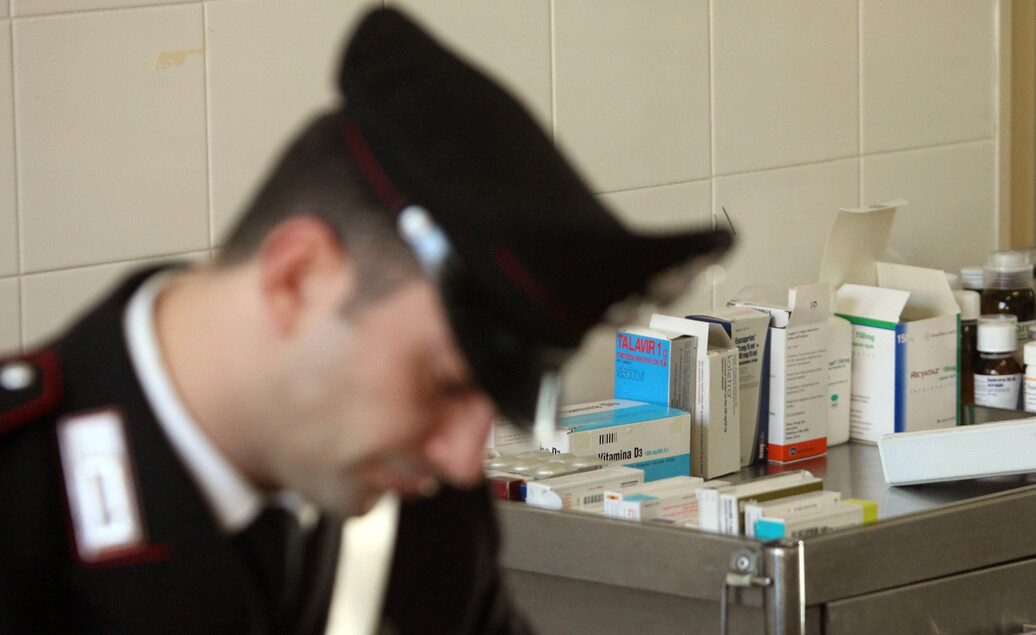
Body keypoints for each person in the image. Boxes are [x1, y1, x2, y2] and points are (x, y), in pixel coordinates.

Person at [0, 7, 732, 634]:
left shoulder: (421, 505)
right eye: (445, 381)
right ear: (297, 278)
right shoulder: (21, 505)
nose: (462, 460)